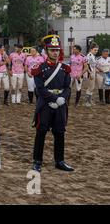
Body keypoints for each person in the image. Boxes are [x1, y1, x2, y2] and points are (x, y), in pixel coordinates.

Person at [31, 35, 74, 173]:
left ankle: (59, 161)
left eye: (57, 50)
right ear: (46, 50)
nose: (55, 52)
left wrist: (61, 99)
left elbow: (68, 87)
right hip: (45, 104)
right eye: (52, 50)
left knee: (60, 133)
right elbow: (40, 89)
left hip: (60, 104)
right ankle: (37, 161)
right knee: (41, 132)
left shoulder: (65, 68)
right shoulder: (39, 68)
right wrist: (53, 99)